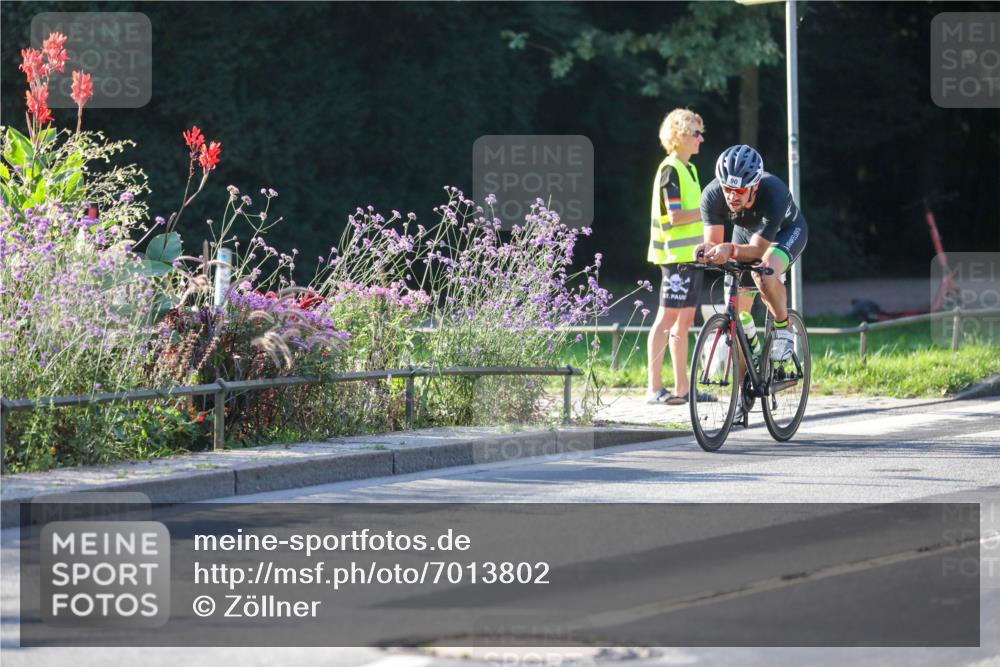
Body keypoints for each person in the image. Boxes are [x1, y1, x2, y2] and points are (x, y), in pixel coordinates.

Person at [696, 145, 809, 419]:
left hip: (786, 232)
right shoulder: (712, 194)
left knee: (763, 272)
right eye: (727, 189)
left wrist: (728, 250)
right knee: (734, 312)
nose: (732, 197)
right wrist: (706, 252)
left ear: (755, 187)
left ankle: (782, 329)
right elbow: (714, 241)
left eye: (739, 191)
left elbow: (758, 252)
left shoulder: (774, 192)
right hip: (744, 234)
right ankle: (741, 394)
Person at [645, 109, 712, 405]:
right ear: (681, 136)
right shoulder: (670, 169)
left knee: (683, 323)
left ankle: (683, 389)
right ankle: (654, 388)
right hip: (675, 258)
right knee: (666, 320)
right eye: (696, 133)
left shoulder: (690, 169)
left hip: (692, 258)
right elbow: (674, 217)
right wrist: (708, 211)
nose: (701, 138)